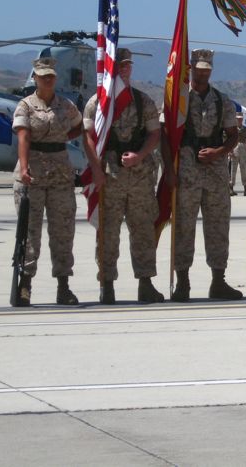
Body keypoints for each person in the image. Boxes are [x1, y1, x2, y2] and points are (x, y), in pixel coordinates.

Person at [82, 48, 165, 305]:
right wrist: (96, 169)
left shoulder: (143, 101)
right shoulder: (98, 102)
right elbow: (87, 137)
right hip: (110, 176)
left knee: (142, 231)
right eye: (119, 65)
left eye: (127, 65)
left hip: (140, 177)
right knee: (108, 233)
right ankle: (107, 284)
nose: (124, 69)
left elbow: (154, 134)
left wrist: (140, 156)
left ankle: (145, 283)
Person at [164, 49, 243, 302]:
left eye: (207, 69)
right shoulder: (179, 99)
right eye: (198, 69)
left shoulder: (222, 100)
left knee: (218, 226)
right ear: (191, 69)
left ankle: (218, 281)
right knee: (184, 226)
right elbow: (165, 136)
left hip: (216, 172)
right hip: (186, 170)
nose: (202, 72)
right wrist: (168, 169)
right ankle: (183, 282)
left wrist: (218, 151)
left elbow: (233, 135)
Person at [12, 57, 84, 306]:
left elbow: (78, 127)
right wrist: (23, 167)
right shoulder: (26, 105)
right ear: (35, 78)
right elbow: (22, 137)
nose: (48, 79)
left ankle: (63, 286)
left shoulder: (66, 105)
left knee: (63, 231)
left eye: (51, 75)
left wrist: (61, 137)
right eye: (43, 76)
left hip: (61, 173)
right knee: (30, 233)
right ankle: (25, 285)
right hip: (33, 171)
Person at [228, 113, 246, 196]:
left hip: (243, 148)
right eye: (238, 118)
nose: (239, 120)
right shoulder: (232, 129)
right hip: (234, 148)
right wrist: (230, 151)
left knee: (244, 169)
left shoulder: (245, 129)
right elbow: (228, 140)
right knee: (233, 169)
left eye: (241, 118)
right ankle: (231, 188)